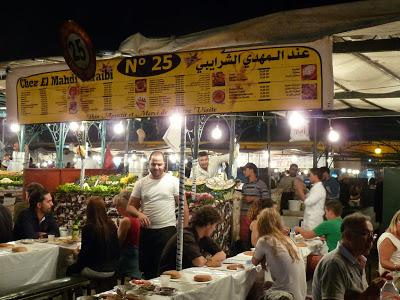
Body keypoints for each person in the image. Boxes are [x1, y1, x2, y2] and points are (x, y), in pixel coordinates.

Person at [127, 151, 189, 279]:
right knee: (148, 269)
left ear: (164, 165)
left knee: (165, 268)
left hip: (167, 231)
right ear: (148, 164)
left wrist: (184, 229)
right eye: (153, 164)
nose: (156, 167)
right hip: (147, 232)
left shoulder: (173, 181)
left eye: (159, 164)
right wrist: (139, 214)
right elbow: (130, 206)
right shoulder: (141, 183)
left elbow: (184, 206)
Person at [312, 213, 387, 299]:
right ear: (348, 236)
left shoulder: (358, 259)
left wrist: (372, 292)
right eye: (365, 233)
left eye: (372, 234)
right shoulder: (334, 264)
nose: (371, 239)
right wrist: (367, 294)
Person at [252, 208, 307, 300]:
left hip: (285, 296)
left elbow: (254, 262)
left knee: (255, 289)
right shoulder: (288, 239)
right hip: (300, 295)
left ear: (261, 224)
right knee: (266, 284)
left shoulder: (264, 240)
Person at [159, 205, 226, 273]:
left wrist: (209, 261)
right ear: (208, 224)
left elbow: (222, 254)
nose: (214, 229)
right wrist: (210, 262)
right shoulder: (186, 236)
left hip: (185, 275)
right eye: (214, 225)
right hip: (170, 277)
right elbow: (199, 262)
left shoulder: (203, 237)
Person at [67, 197, 120, 280]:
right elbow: (117, 250)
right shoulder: (112, 225)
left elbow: (85, 256)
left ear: (89, 211)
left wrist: (76, 254)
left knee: (69, 265)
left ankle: (77, 291)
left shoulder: (89, 228)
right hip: (112, 269)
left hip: (95, 269)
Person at [239, 162, 269, 251]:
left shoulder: (261, 184)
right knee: (244, 238)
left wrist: (253, 198)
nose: (243, 172)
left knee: (255, 239)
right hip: (244, 215)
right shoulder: (245, 185)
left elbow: (266, 201)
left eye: (245, 170)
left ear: (251, 170)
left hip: (255, 216)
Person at [113, 191, 141, 279]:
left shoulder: (125, 221)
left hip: (127, 258)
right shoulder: (139, 218)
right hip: (138, 257)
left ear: (125, 206)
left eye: (118, 205)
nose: (116, 208)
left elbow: (118, 243)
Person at [377, 209, 400, 288]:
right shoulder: (388, 239)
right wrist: (398, 267)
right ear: (395, 221)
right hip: (393, 282)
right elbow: (384, 262)